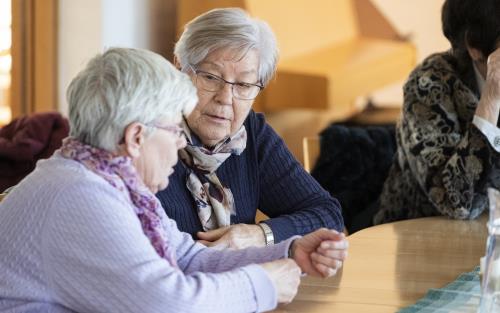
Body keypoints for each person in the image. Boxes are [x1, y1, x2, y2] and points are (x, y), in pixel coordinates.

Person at [0, 48, 348, 313]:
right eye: (173, 130)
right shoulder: (79, 195)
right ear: (136, 137)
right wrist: (264, 284)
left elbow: (188, 257)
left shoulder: (107, 178)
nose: (182, 141)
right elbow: (170, 303)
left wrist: (288, 252)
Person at [156, 8, 344, 249]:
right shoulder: (149, 138)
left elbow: (327, 215)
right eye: (211, 77)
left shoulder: (250, 134)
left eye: (244, 85)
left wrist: (260, 234)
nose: (226, 98)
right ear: (180, 68)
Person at [373, 0, 500, 225]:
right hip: (421, 239)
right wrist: (491, 99)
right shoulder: (428, 85)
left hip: (488, 237)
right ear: (474, 47)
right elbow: (458, 203)